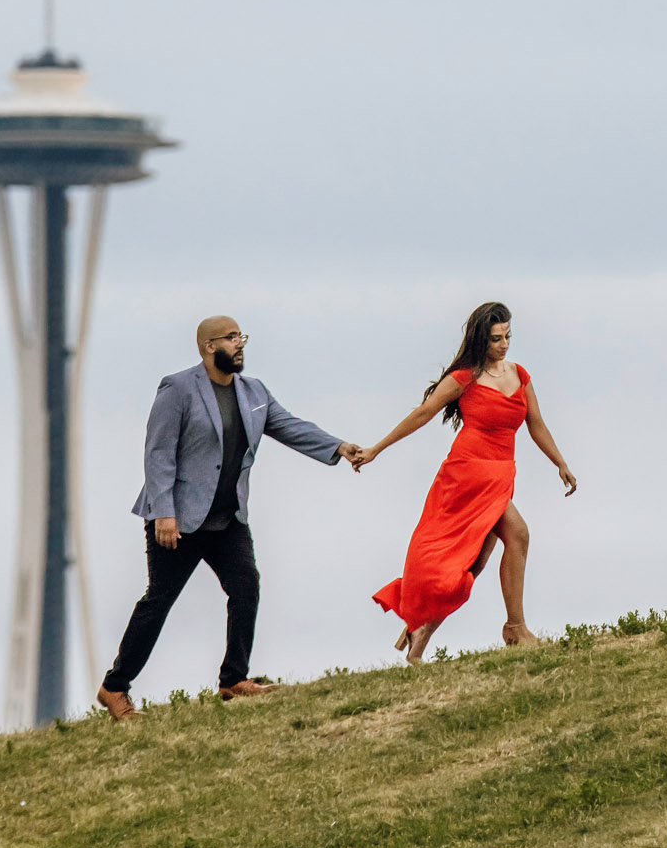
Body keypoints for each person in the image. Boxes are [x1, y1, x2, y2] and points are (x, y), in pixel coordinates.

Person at [96, 315, 363, 719]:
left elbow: (289, 426)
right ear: (208, 347)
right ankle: (114, 688)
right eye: (231, 338)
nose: (240, 344)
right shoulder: (178, 389)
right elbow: (158, 453)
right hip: (180, 520)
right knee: (159, 601)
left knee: (246, 587)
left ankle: (233, 680)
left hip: (227, 518)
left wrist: (338, 447)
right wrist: (164, 514)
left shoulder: (254, 391)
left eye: (242, 337)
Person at [354, 301, 577, 663]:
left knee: (470, 566)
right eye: (495, 339)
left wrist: (560, 462)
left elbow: (536, 424)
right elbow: (423, 412)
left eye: (508, 336)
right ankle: (516, 629)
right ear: (480, 340)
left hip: (500, 474)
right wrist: (377, 448)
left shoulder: (520, 375)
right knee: (518, 534)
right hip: (467, 476)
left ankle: (418, 637)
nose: (504, 345)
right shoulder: (465, 378)